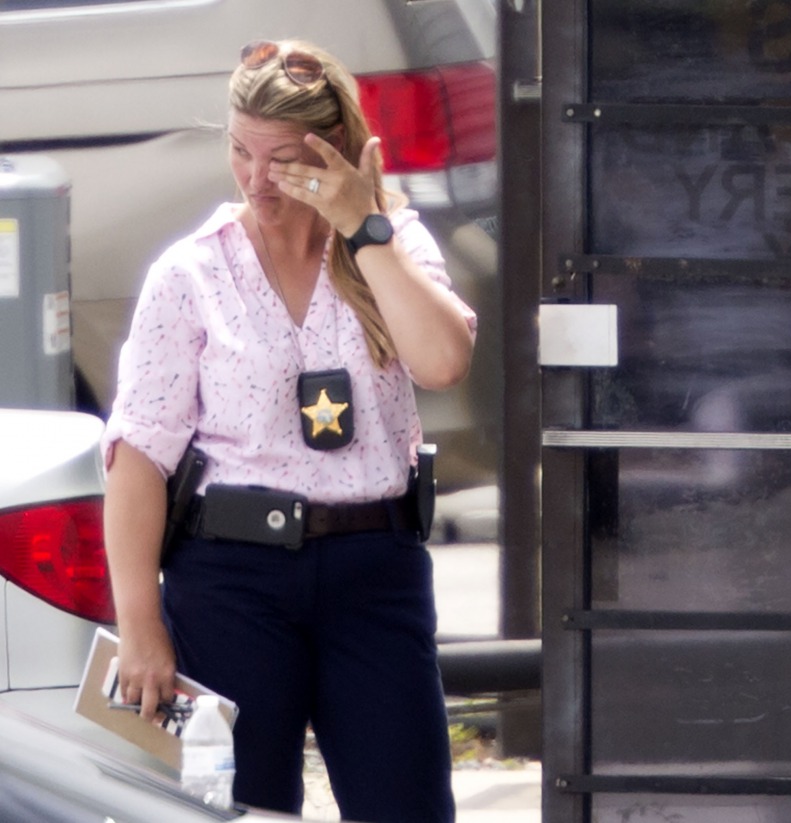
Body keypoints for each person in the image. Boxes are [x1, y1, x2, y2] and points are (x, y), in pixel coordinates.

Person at [101, 39, 475, 823]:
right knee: (232, 810)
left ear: (333, 152)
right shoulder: (192, 271)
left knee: (407, 805)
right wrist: (140, 626)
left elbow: (443, 360)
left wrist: (362, 226)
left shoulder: (390, 245)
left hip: (375, 571)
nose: (256, 178)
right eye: (240, 151)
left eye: (282, 158)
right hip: (229, 579)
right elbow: (137, 456)